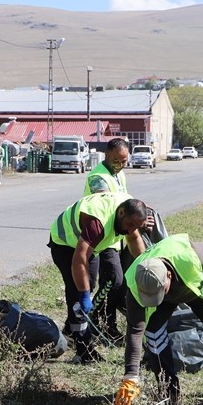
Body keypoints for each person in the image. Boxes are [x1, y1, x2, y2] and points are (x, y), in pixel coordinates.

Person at [114, 234, 203, 405]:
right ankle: (169, 392)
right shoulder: (136, 286)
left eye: (157, 292)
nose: (152, 298)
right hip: (166, 297)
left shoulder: (186, 256)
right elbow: (135, 331)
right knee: (153, 335)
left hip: (193, 287)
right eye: (148, 296)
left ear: (169, 276)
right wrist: (130, 377)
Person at [48, 193, 148, 363]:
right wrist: (84, 295)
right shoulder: (97, 223)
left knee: (89, 282)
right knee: (77, 293)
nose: (130, 230)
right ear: (121, 213)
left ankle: (72, 331)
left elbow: (134, 239)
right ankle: (83, 351)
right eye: (129, 225)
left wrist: (146, 267)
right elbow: (79, 260)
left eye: (135, 226)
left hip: (88, 245)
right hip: (65, 242)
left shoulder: (129, 213)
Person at [83, 137, 130, 341]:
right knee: (109, 281)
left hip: (114, 237)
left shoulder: (119, 175)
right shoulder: (98, 177)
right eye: (117, 161)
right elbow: (106, 203)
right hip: (97, 236)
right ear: (107, 155)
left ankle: (104, 322)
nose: (120, 165)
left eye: (124, 161)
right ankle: (91, 319)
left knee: (115, 282)